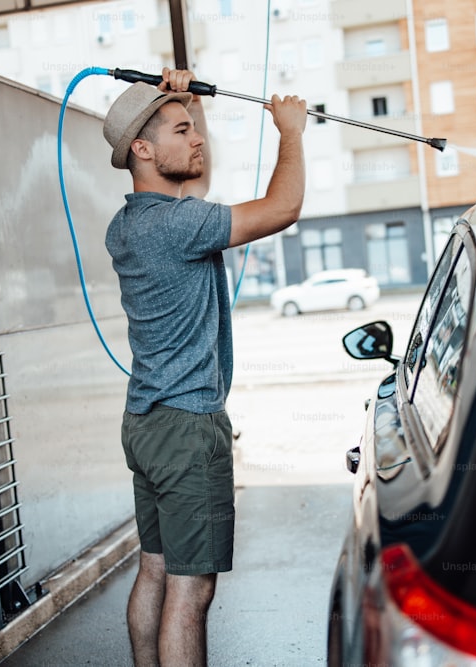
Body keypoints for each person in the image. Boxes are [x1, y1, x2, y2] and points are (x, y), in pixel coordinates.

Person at [103, 67, 306, 667]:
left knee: (156, 570)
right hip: (189, 429)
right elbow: (283, 207)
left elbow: (196, 181)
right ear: (143, 148)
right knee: (192, 591)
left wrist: (190, 103)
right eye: (183, 130)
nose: (196, 140)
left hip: (146, 423)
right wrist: (289, 132)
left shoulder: (133, 224)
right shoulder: (179, 226)